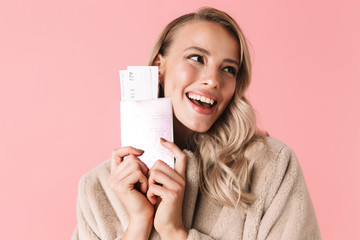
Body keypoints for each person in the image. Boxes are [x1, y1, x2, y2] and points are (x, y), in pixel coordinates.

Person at [72, 7, 321, 240]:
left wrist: (176, 232)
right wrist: (137, 224)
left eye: (228, 69)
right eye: (196, 58)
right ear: (160, 65)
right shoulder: (98, 188)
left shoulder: (271, 167)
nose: (213, 80)